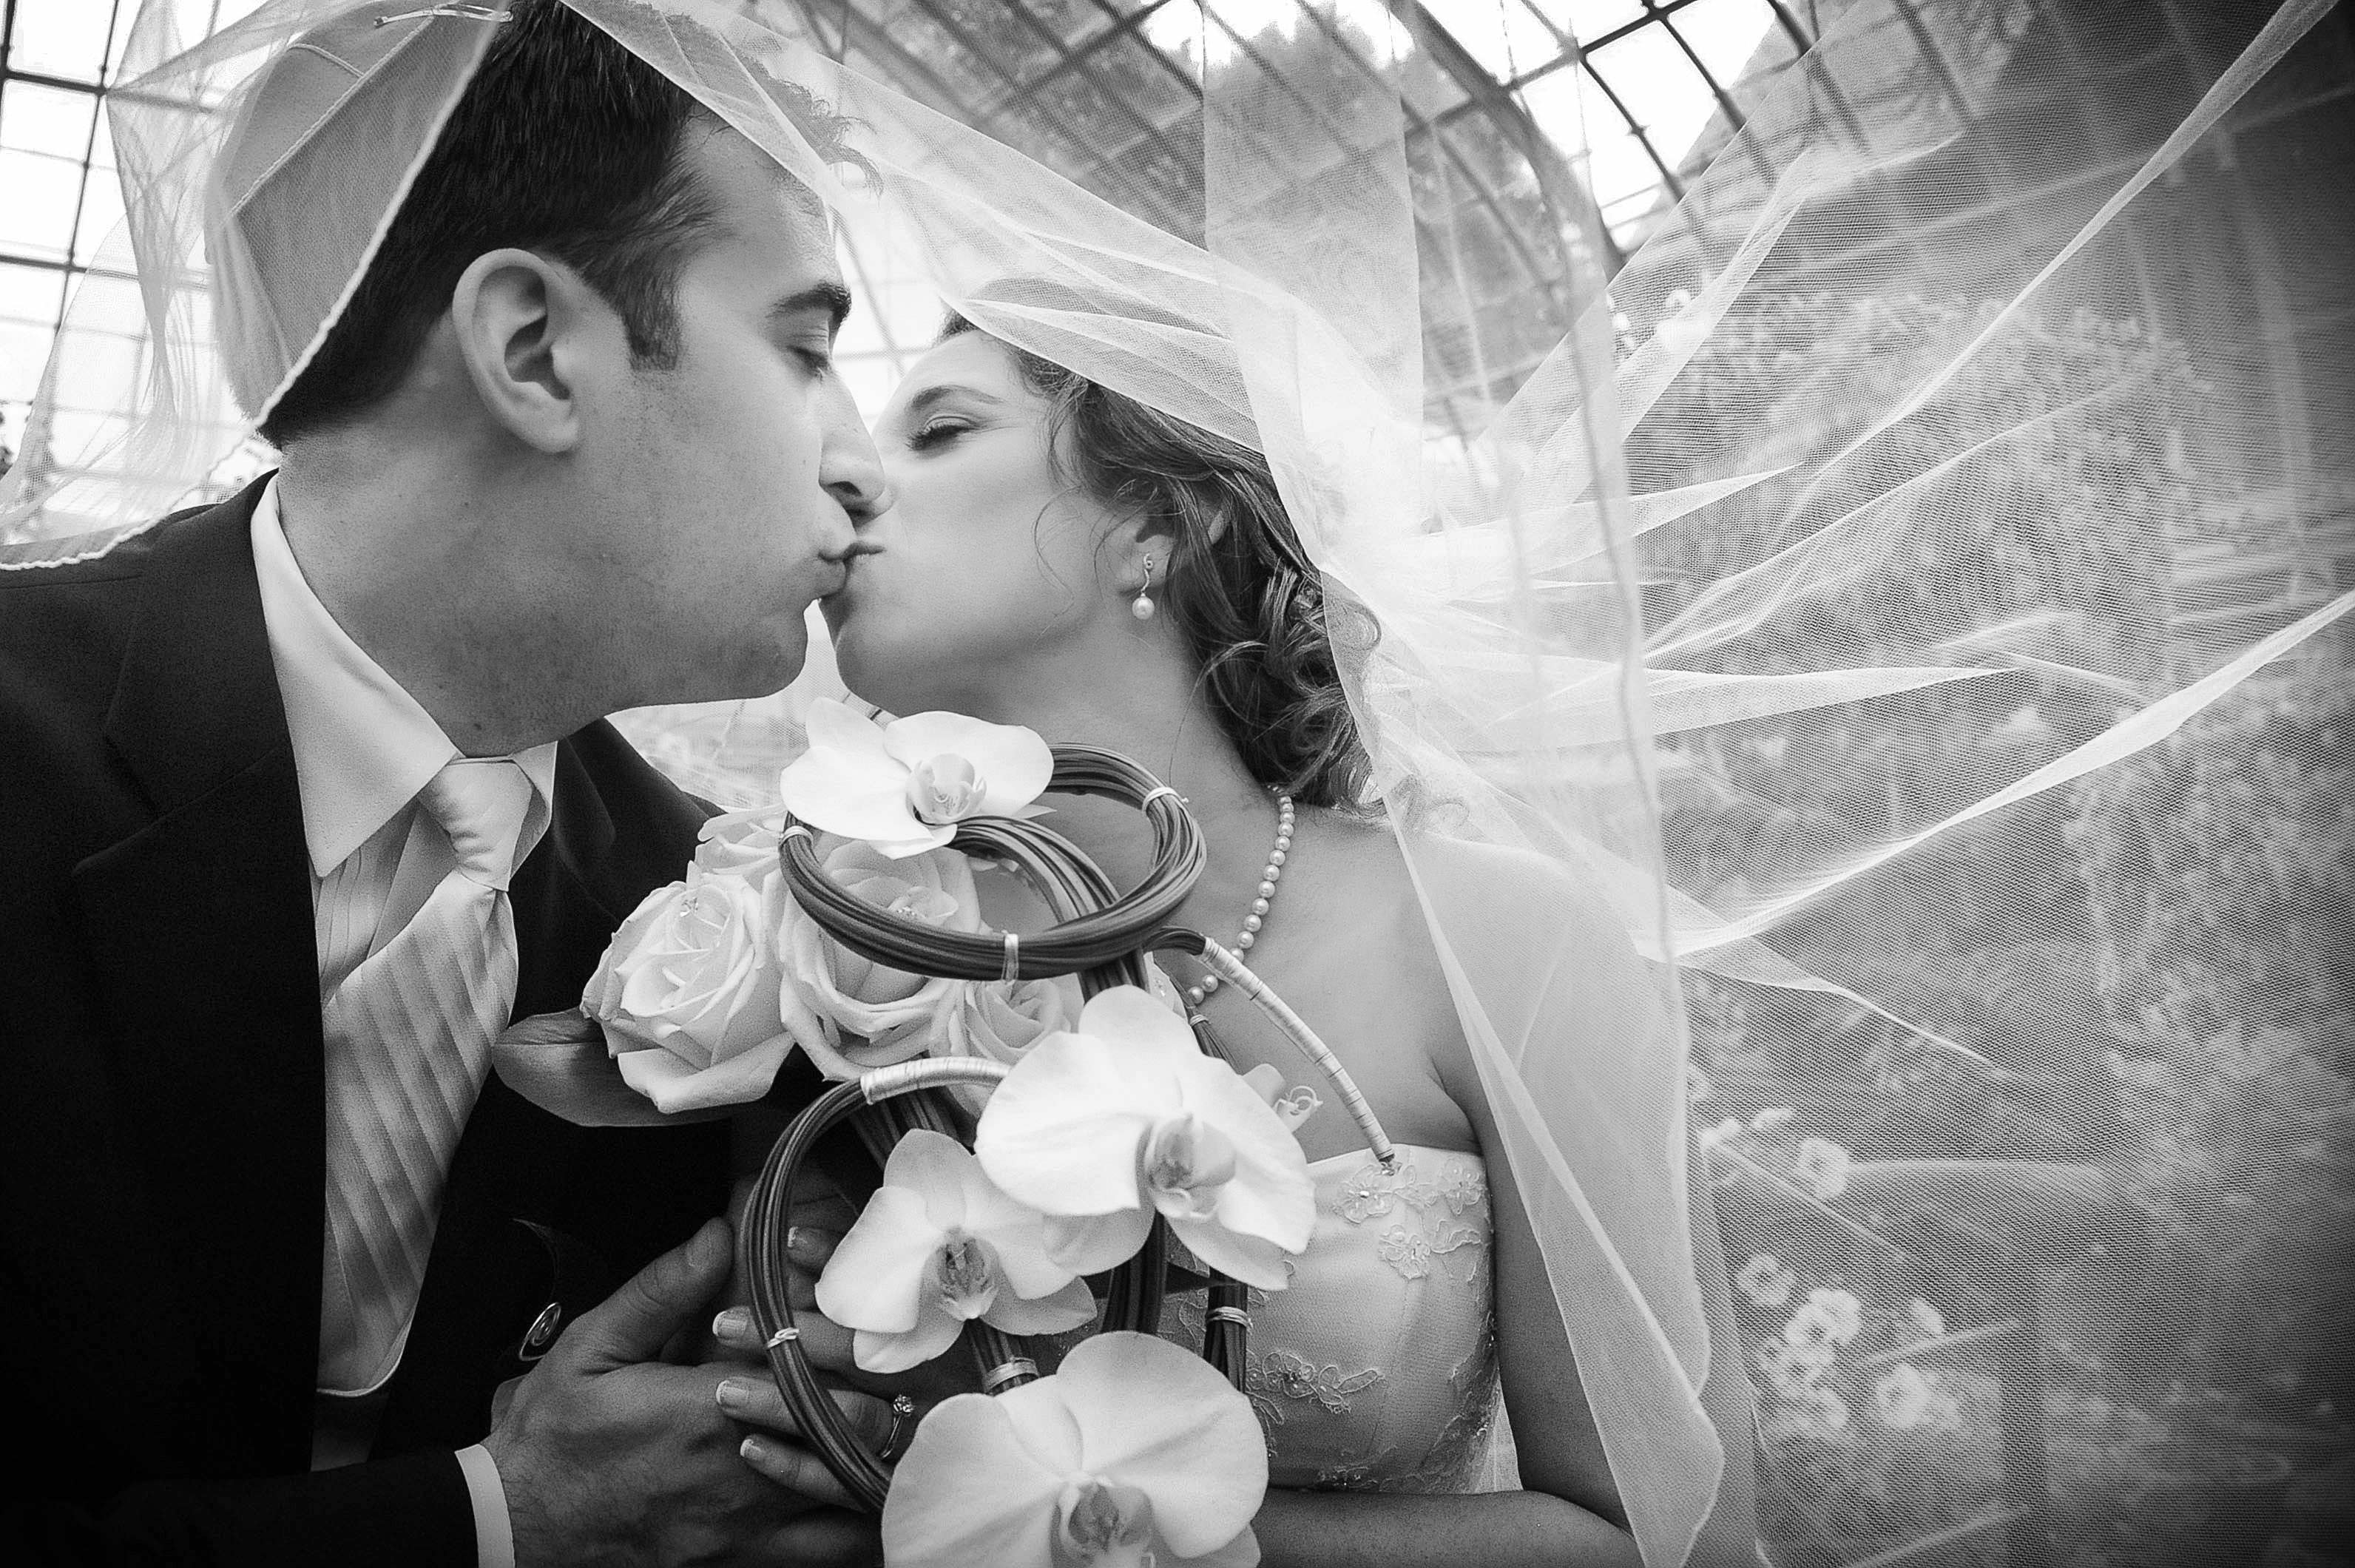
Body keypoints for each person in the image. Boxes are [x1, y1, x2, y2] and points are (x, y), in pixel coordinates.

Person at [0, 4, 889, 1564]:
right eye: (808, 348)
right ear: (536, 348)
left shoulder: (712, 909)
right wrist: (495, 1519)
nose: (859, 460)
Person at [799, 314, 1762, 1567]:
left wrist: (1093, 1529)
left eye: (938, 430)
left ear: (1160, 522)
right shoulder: (844, 954)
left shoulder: (1495, 939)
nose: (854, 476)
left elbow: (1672, 1536)